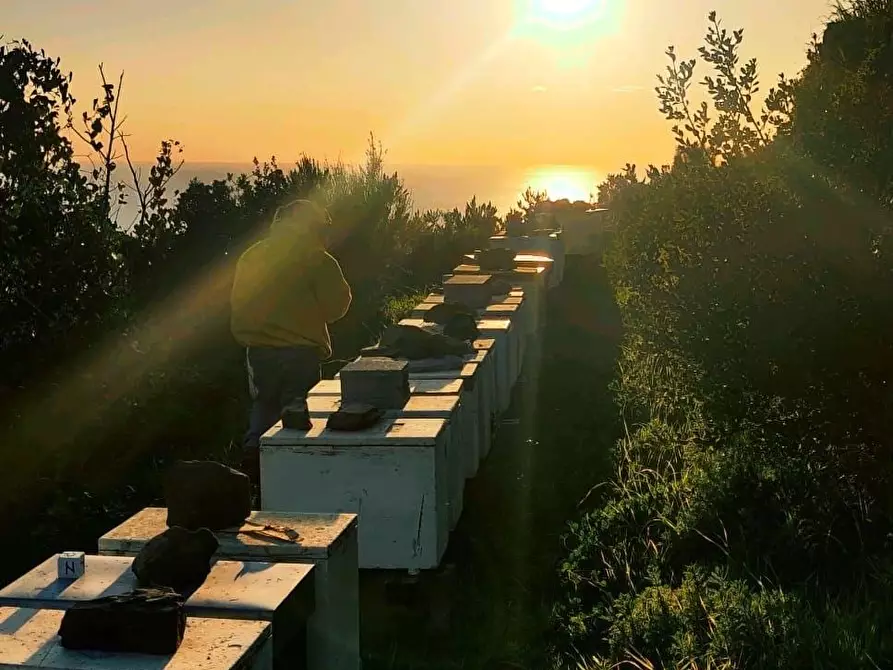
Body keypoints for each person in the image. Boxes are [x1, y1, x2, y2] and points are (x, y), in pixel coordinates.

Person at [230, 198, 352, 481]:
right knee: (296, 410)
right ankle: (296, 476)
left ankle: (253, 464)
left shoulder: (252, 256)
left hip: (259, 350)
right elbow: (337, 307)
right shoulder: (318, 259)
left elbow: (239, 304)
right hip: (302, 352)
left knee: (264, 405)